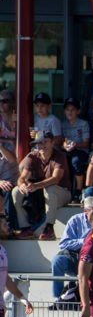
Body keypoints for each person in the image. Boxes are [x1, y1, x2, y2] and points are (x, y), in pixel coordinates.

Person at [13, 131, 72, 240]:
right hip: (41, 193)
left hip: (62, 192)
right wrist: (21, 185)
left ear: (52, 143)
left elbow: (56, 178)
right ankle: (25, 228)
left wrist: (35, 186)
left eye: (45, 142)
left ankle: (49, 228)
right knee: (16, 191)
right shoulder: (32, 156)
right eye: (39, 143)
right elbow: (23, 177)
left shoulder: (60, 156)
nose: (42, 145)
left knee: (50, 189)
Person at [50, 196, 93, 309]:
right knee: (57, 260)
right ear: (85, 211)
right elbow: (63, 244)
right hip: (75, 256)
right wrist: (85, 242)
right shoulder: (75, 220)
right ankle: (58, 298)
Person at [61, 97, 90, 202]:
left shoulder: (83, 124)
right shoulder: (63, 124)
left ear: (78, 111)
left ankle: (78, 190)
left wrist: (75, 144)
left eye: (72, 110)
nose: (70, 112)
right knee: (62, 160)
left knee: (76, 161)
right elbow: (61, 142)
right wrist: (64, 146)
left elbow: (86, 143)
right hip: (67, 150)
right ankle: (66, 188)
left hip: (81, 150)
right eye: (67, 109)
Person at [0, 94, 19, 230]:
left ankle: (10, 228)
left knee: (9, 190)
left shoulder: (17, 119)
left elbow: (12, 159)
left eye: (4, 101)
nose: (1, 104)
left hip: (12, 177)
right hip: (1, 179)